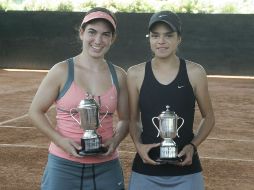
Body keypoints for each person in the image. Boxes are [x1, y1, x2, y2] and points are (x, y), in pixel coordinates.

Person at [29, 7, 129, 190]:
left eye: (106, 34)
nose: (98, 40)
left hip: (106, 166)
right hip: (63, 165)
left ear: (112, 39)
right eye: (92, 32)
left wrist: (115, 140)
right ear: (82, 33)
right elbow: (35, 111)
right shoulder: (61, 71)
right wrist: (60, 141)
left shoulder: (119, 75)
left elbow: (125, 119)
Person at [127, 11, 215, 190]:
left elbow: (209, 118)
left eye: (168, 35)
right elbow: (133, 119)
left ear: (179, 39)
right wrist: (138, 145)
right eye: (155, 36)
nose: (161, 41)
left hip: (186, 171)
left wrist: (192, 146)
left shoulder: (195, 72)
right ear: (149, 39)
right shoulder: (135, 74)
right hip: (146, 171)